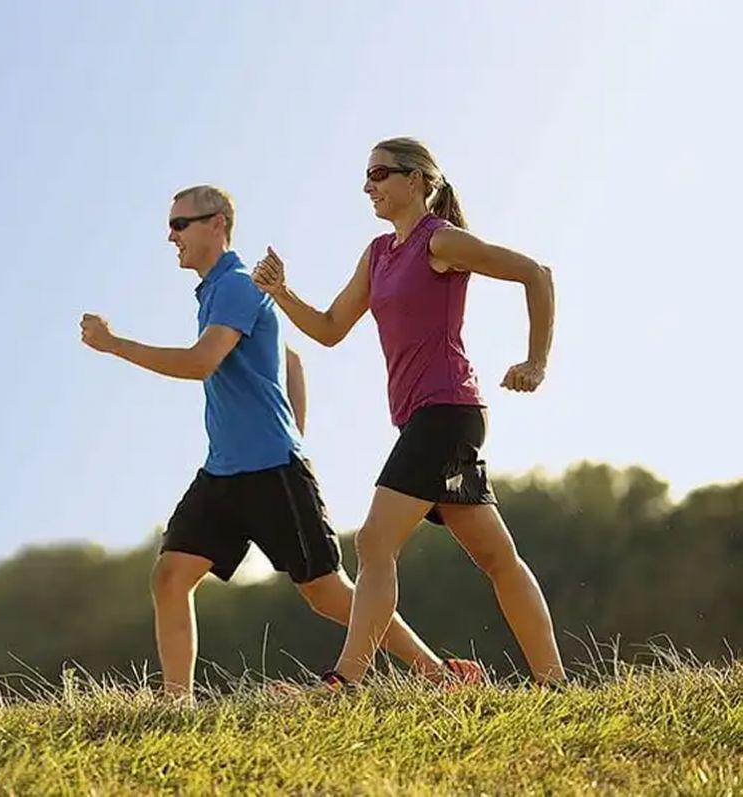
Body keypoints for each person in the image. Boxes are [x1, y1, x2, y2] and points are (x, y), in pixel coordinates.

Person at [80, 184, 481, 700]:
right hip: (223, 472)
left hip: (272, 471)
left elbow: (201, 362)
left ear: (217, 224)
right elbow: (290, 359)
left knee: (327, 592)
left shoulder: (237, 286)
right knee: (171, 575)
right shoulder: (217, 292)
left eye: (180, 224)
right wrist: (297, 429)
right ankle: (176, 703)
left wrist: (114, 345)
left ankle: (437, 674)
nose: (171, 236)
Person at [252, 138, 566, 687]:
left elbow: (536, 274)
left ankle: (346, 682)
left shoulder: (440, 241)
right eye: (366, 176)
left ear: (416, 179)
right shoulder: (378, 254)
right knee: (497, 557)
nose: (367, 186)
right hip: (431, 418)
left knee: (374, 541)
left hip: (446, 411)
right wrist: (281, 292)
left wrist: (535, 362)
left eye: (379, 174)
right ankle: (553, 681)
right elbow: (330, 328)